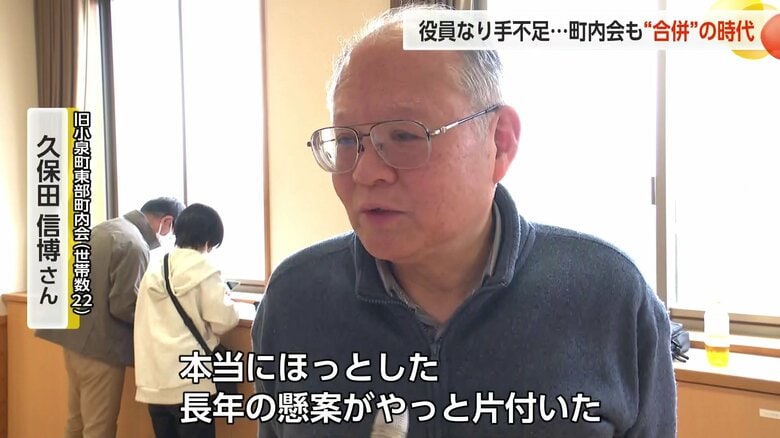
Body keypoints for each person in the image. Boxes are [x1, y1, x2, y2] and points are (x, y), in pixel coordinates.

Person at [251, 5, 676, 438]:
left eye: (404, 135)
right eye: (346, 140)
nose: (365, 172)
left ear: (500, 142)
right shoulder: (296, 300)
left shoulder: (609, 296)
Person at [36, 197, 185, 438]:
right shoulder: (135, 245)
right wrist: (159, 318)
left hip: (72, 340)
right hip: (101, 349)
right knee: (99, 428)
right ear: (167, 221)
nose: (170, 239)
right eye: (173, 232)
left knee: (76, 422)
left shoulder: (104, 229)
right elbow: (124, 305)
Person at [134, 203, 239, 438]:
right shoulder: (203, 269)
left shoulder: (155, 268)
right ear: (208, 240)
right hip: (190, 383)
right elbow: (225, 320)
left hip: (154, 382)